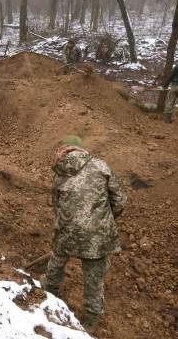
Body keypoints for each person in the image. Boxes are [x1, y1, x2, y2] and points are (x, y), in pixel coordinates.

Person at [39, 136, 126, 335]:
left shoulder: (59, 170)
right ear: (81, 150)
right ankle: (91, 319)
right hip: (97, 235)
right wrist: (104, 219)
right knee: (93, 276)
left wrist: (69, 224)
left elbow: (57, 205)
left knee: (58, 256)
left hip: (67, 230)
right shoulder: (101, 166)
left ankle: (50, 287)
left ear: (64, 151)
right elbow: (120, 200)